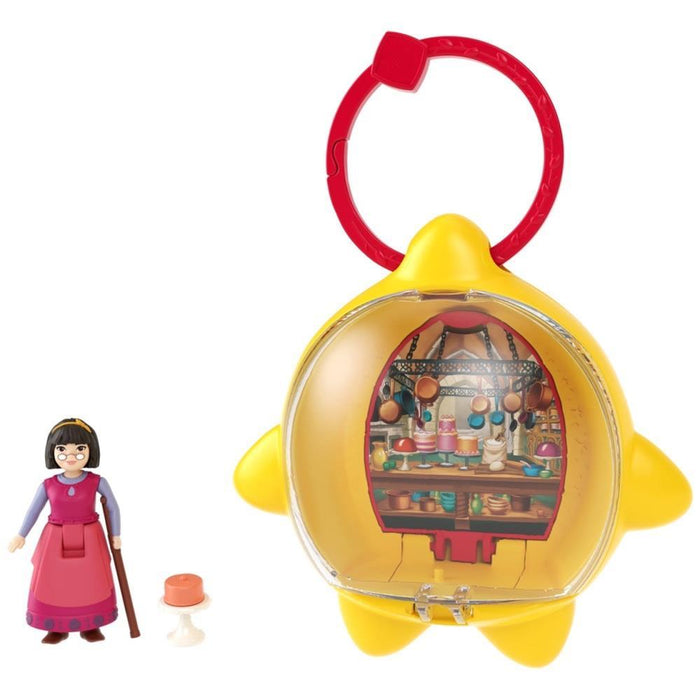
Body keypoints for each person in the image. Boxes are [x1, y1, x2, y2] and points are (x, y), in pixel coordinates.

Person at [8, 418, 120, 643]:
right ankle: (55, 626)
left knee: (92, 580)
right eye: (62, 449)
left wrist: (116, 534)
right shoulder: (48, 485)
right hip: (54, 537)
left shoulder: (97, 481)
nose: (71, 455)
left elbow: (113, 507)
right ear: (52, 451)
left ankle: (91, 624)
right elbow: (33, 510)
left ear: (90, 450)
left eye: (79, 449)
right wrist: (21, 534)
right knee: (53, 582)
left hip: (90, 536)